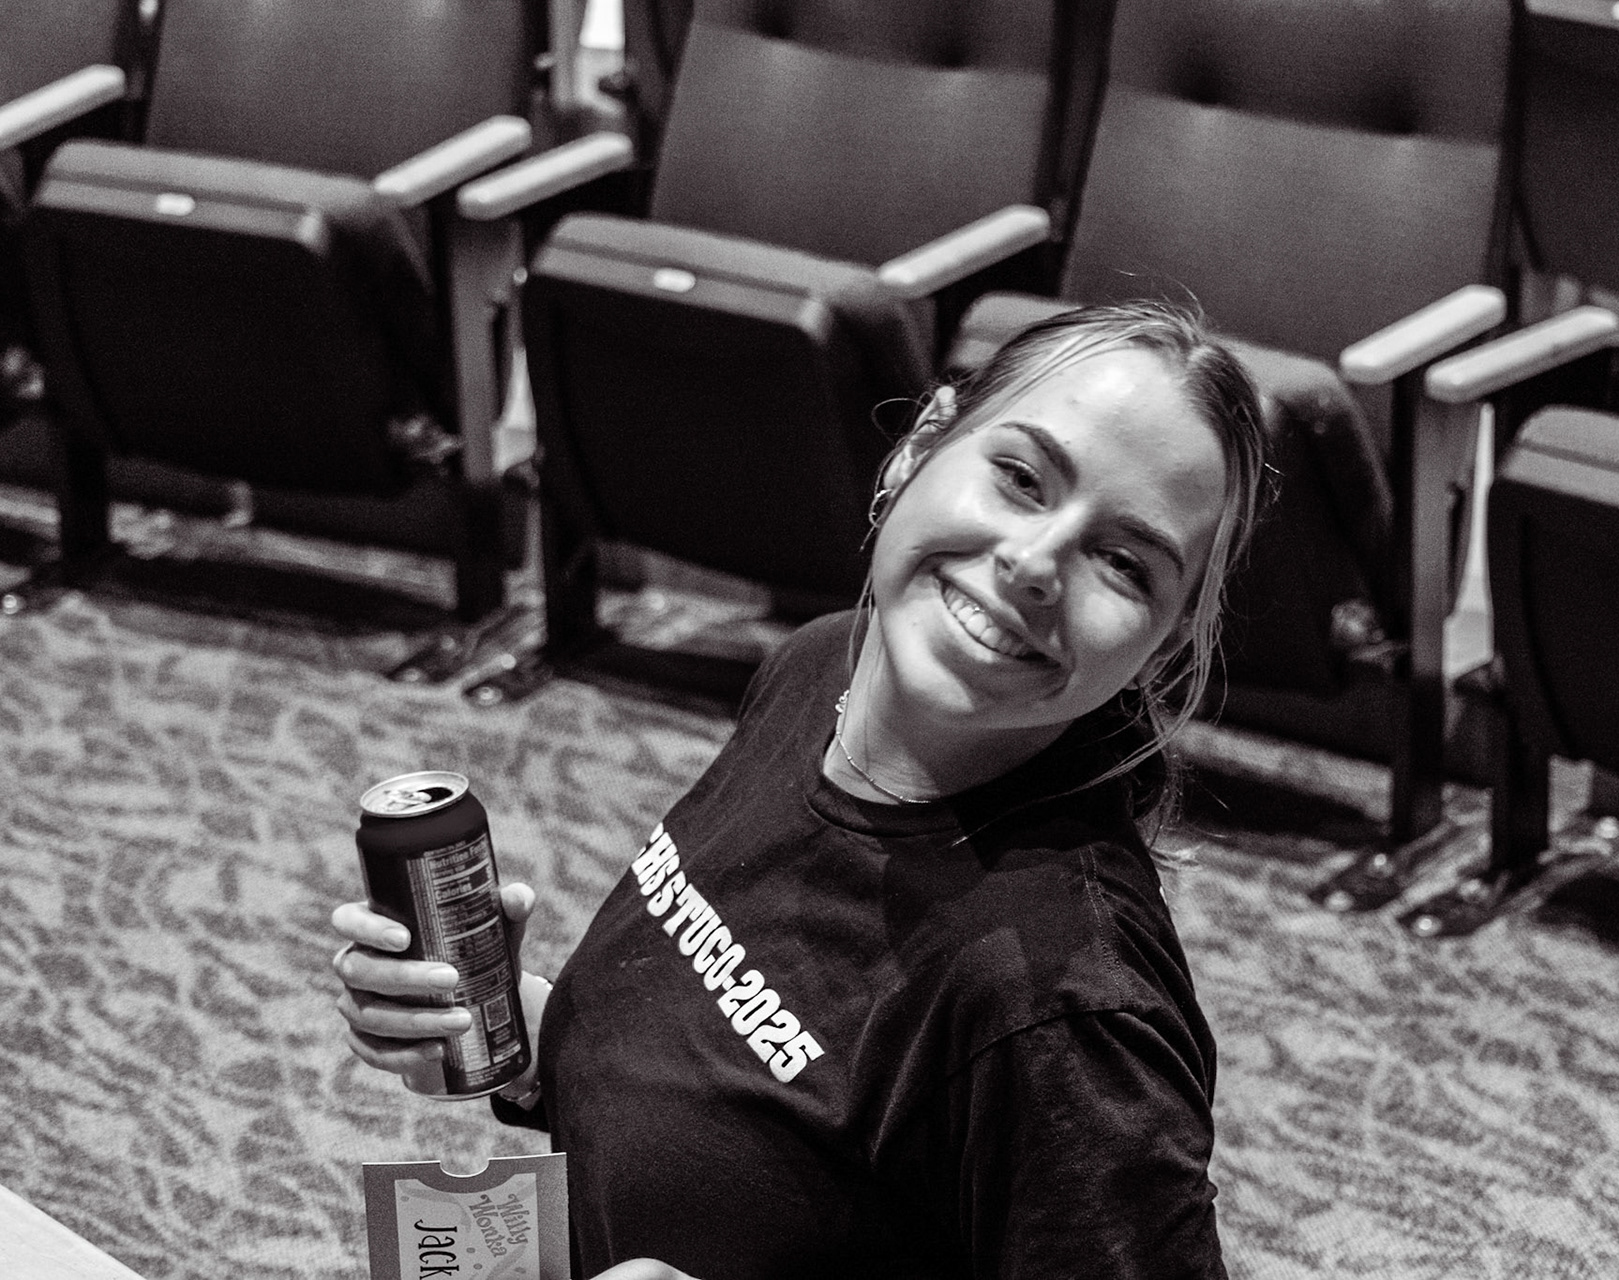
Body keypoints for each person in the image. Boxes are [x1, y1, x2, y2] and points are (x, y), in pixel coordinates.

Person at [331, 300, 1275, 1280]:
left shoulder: (1065, 1012)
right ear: (922, 443)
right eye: (1022, 477)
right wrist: (519, 1033)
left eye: (1123, 562)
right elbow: (758, 1078)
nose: (1037, 563)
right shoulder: (826, 664)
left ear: (1158, 644)